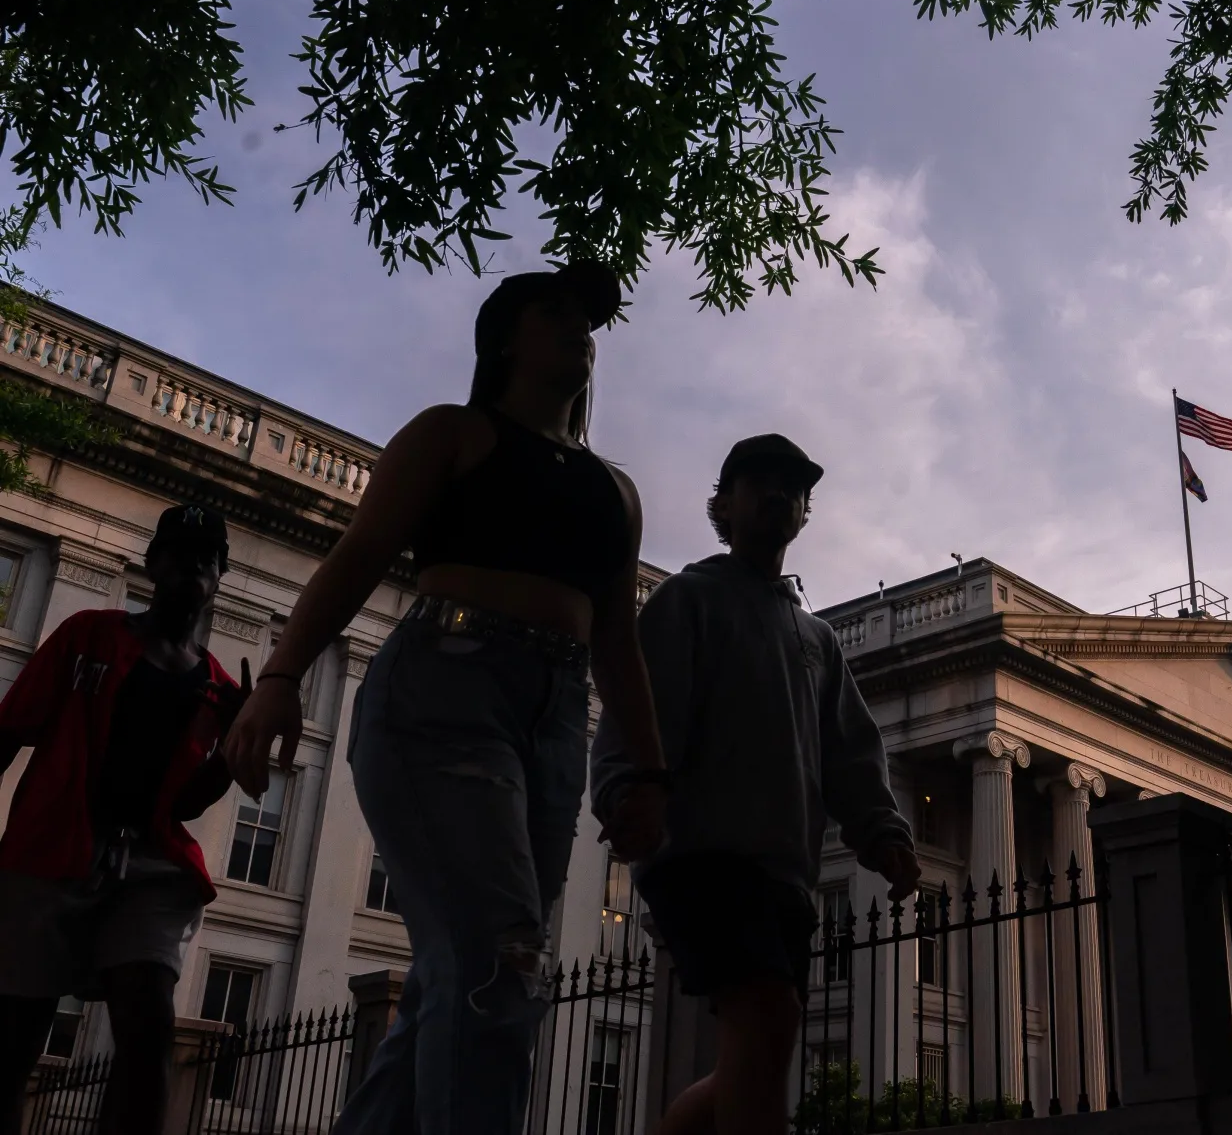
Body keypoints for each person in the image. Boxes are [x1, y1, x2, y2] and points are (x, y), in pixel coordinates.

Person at [222, 261, 671, 1135]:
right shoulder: (451, 434)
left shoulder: (615, 490)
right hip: (444, 687)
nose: (581, 331)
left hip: (553, 716)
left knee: (459, 978)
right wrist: (279, 678)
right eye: (556, 313)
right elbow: (355, 557)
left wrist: (647, 774)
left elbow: (618, 640)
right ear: (505, 336)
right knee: (501, 957)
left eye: (588, 322)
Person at [593, 433, 920, 1135]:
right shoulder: (688, 599)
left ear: (805, 514)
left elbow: (851, 754)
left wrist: (883, 832)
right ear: (725, 505)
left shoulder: (816, 640)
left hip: (783, 873)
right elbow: (639, 706)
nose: (779, 496)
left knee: (761, 1050)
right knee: (769, 1017)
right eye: (760, 483)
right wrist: (631, 790)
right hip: (702, 856)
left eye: (794, 489)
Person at [0, 504, 246, 1135]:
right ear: (152, 561)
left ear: (221, 573)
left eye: (208, 554)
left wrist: (235, 745)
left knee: (148, 1024)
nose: (194, 561)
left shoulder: (216, 684)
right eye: (178, 549)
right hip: (52, 849)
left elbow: (187, 803)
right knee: (17, 1033)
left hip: (151, 865)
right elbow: (10, 727)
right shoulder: (89, 635)